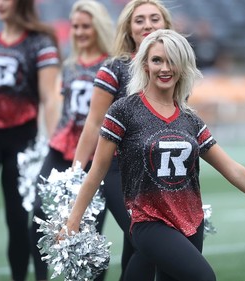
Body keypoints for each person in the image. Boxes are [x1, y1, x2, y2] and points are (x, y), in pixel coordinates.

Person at [64, 29, 245, 281]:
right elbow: (97, 171)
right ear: (145, 64)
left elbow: (232, 169)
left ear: (183, 66)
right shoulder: (123, 110)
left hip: (191, 222)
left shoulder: (190, 119)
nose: (164, 68)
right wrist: (73, 220)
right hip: (149, 221)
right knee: (204, 277)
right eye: (157, 60)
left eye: (172, 60)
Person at [72, 0, 173, 279]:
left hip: (157, 172)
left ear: (165, 24)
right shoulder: (115, 68)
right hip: (119, 170)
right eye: (139, 20)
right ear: (129, 27)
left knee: (137, 245)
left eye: (155, 18)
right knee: (147, 239)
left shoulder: (175, 67)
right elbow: (93, 123)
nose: (148, 25)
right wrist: (75, 174)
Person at [0, 0, 61, 280]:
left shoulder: (40, 45)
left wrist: (53, 145)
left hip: (22, 136)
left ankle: (20, 276)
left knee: (17, 217)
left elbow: (49, 99)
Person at [29, 1, 114, 281]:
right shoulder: (69, 65)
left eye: (86, 26)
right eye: (76, 26)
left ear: (98, 27)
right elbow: (66, 111)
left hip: (95, 153)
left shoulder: (111, 66)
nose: (79, 31)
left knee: (89, 226)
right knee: (40, 213)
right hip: (62, 147)